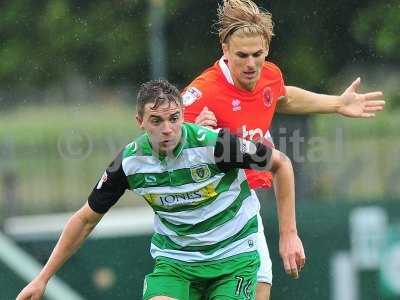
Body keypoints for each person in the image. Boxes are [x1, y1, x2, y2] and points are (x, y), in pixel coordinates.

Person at [16, 79, 305, 300]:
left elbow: (280, 163)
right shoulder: (130, 162)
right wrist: (43, 278)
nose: (167, 129)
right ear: (140, 122)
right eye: (156, 121)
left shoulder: (215, 145)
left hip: (234, 256)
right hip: (177, 262)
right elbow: (85, 219)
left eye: (174, 118)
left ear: (182, 115)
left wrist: (288, 235)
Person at [182, 1, 385, 299]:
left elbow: (281, 97)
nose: (251, 64)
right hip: (201, 216)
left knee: (260, 289)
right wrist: (193, 132)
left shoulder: (269, 76)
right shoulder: (202, 93)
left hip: (243, 207)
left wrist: (337, 104)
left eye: (258, 55)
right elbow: (163, 143)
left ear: (266, 49)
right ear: (224, 49)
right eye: (241, 56)